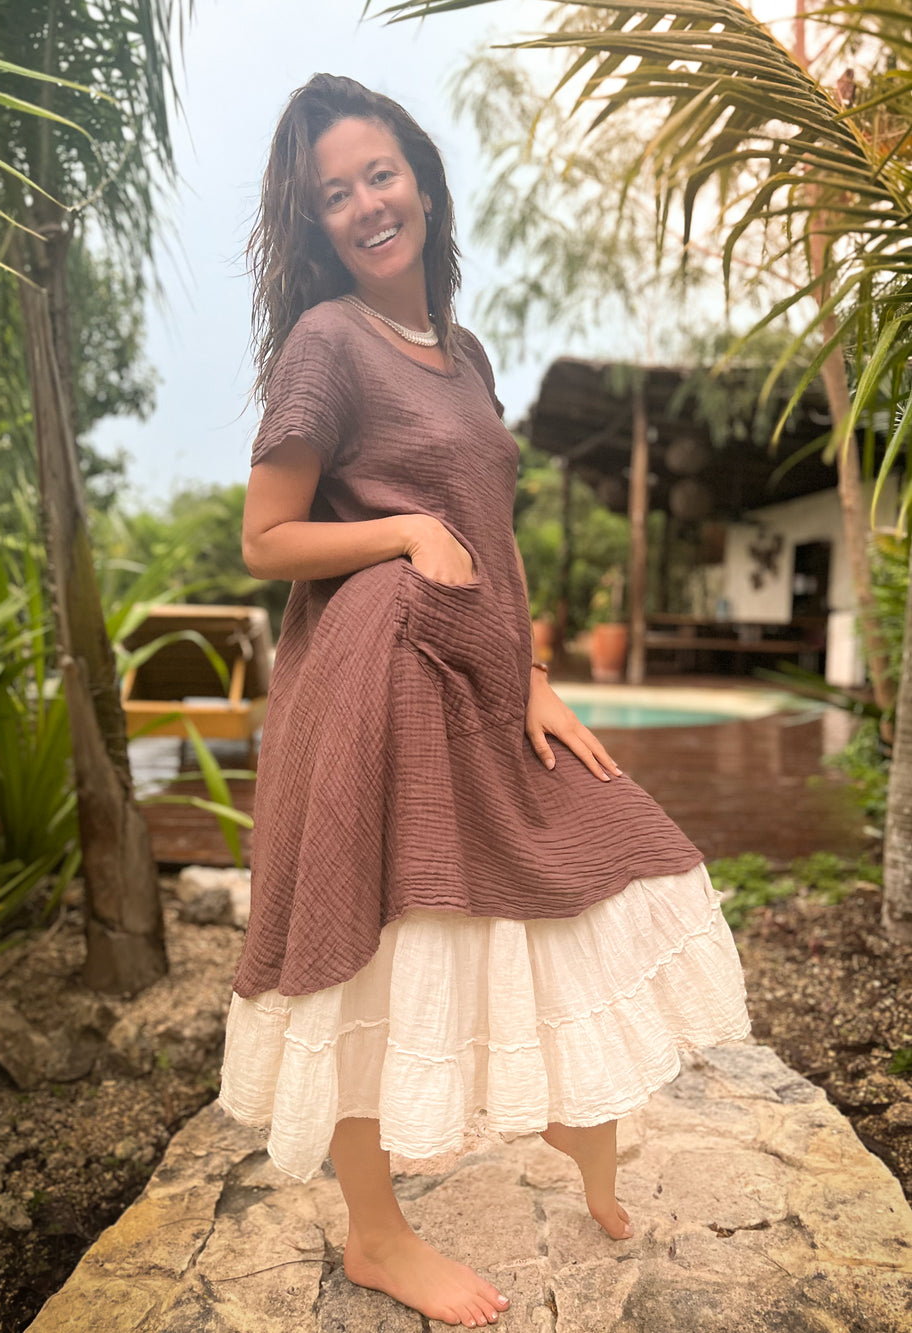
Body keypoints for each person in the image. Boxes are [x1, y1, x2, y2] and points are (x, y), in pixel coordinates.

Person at [219, 73, 751, 1328]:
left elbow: (492, 535)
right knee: (379, 949)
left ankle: (576, 1115)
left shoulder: (460, 353)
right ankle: (376, 1232)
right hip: (372, 683)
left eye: (379, 174)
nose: (363, 204)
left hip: (471, 669)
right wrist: (400, 525)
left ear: (421, 177)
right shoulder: (326, 342)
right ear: (314, 225)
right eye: (332, 193)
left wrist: (539, 676)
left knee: (606, 852)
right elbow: (264, 539)